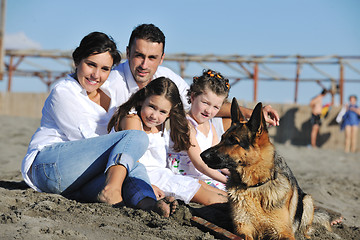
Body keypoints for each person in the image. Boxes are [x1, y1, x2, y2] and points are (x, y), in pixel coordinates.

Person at [21, 32, 174, 217]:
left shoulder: (111, 95)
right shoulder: (63, 92)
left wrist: (140, 177)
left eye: (105, 69)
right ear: (78, 60)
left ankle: (149, 204)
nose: (96, 75)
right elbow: (86, 138)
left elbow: (117, 154)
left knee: (133, 168)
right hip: (49, 167)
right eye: (91, 64)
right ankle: (112, 190)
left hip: (78, 178)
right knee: (135, 138)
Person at [107, 23, 280, 136]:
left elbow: (201, 103)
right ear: (128, 53)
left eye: (152, 58)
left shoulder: (166, 76)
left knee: (230, 123)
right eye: (139, 56)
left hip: (167, 145)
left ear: (161, 58)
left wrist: (255, 113)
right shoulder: (113, 82)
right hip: (134, 149)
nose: (144, 65)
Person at [108, 77, 228, 206]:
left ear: (169, 113)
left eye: (163, 111)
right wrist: (146, 185)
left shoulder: (160, 125)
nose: (154, 115)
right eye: (152, 107)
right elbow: (130, 158)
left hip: (164, 175)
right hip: (145, 177)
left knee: (216, 191)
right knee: (210, 198)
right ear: (142, 100)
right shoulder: (132, 119)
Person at [168, 69, 231, 190]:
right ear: (193, 97)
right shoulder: (185, 124)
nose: (209, 110)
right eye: (205, 103)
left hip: (206, 176)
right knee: (226, 195)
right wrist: (226, 180)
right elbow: (199, 163)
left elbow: (217, 159)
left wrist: (234, 174)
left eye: (216, 107)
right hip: (187, 177)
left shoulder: (210, 126)